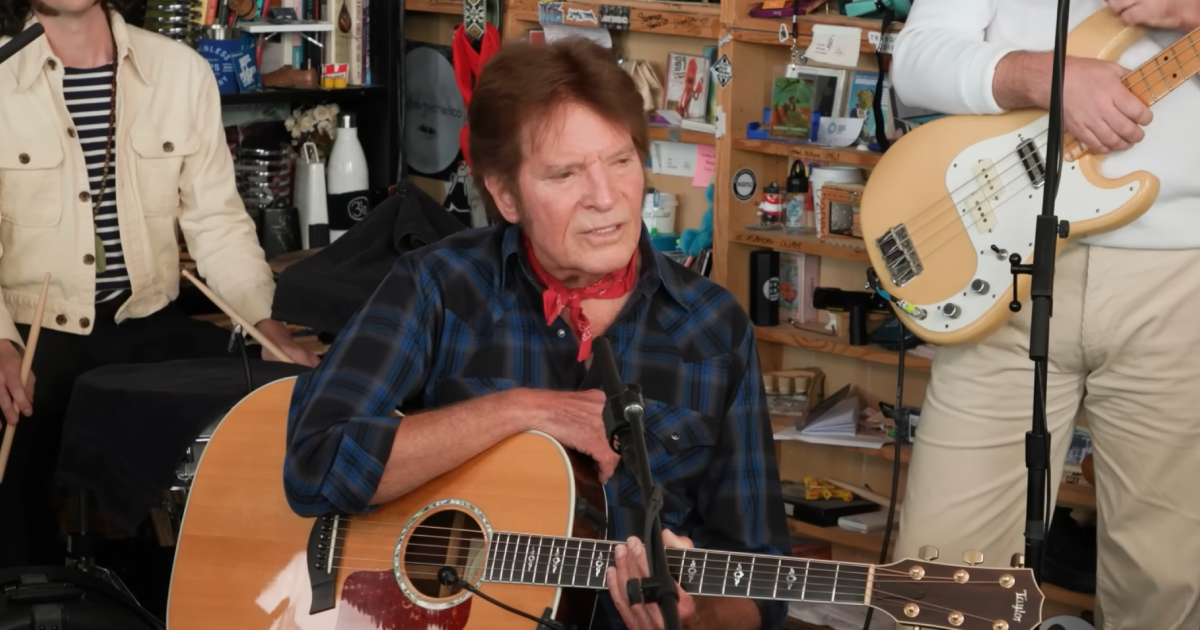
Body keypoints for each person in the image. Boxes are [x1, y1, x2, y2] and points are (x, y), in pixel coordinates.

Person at [284, 38, 791, 630]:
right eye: (565, 173)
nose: (606, 199)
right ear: (505, 195)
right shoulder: (439, 286)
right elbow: (315, 464)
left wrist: (698, 614)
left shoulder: (713, 326)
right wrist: (522, 411)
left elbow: (762, 585)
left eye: (621, 161)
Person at [889, 0, 1200, 628]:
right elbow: (916, 61)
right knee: (945, 582)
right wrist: (1045, 75)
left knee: (1164, 584)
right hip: (1003, 264)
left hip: (1181, 275)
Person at [0, 0, 321, 568]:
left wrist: (266, 324)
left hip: (145, 324)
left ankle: (196, 594)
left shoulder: (181, 72)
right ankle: (32, 598)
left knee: (278, 400)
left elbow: (217, 223)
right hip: (31, 333)